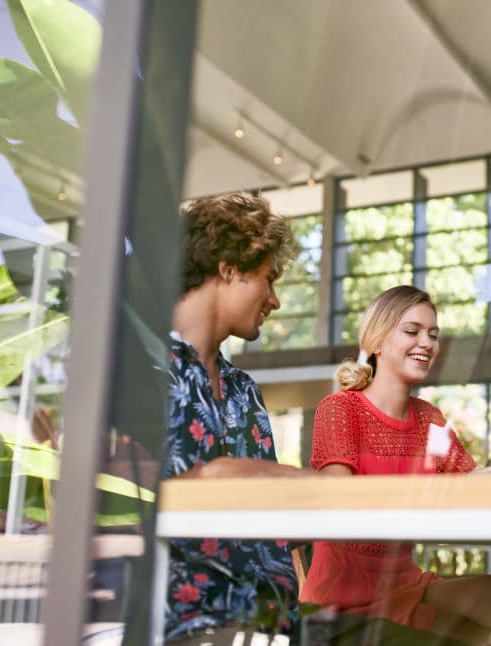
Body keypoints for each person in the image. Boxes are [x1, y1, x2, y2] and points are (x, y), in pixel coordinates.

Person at [299, 285, 491, 645]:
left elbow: (466, 478)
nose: (426, 343)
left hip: (407, 586)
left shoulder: (430, 419)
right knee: (472, 634)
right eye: (412, 331)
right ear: (377, 342)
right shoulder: (340, 409)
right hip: (341, 602)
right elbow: (341, 500)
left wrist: (484, 480)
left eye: (433, 335)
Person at [162, 192, 306, 641]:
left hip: (272, 628)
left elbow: (274, 517)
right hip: (188, 628)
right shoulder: (146, 370)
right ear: (229, 268)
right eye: (268, 279)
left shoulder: (244, 390)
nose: (274, 300)